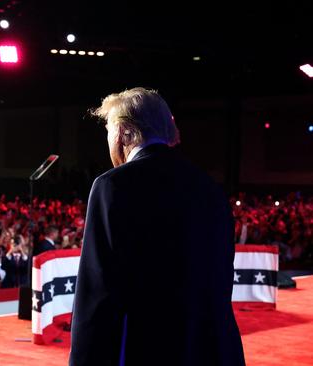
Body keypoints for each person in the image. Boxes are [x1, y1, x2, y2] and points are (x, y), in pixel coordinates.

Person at [69, 88, 245, 366]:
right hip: (210, 345)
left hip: (147, 345)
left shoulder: (113, 186)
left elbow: (97, 290)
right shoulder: (209, 187)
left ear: (123, 133)